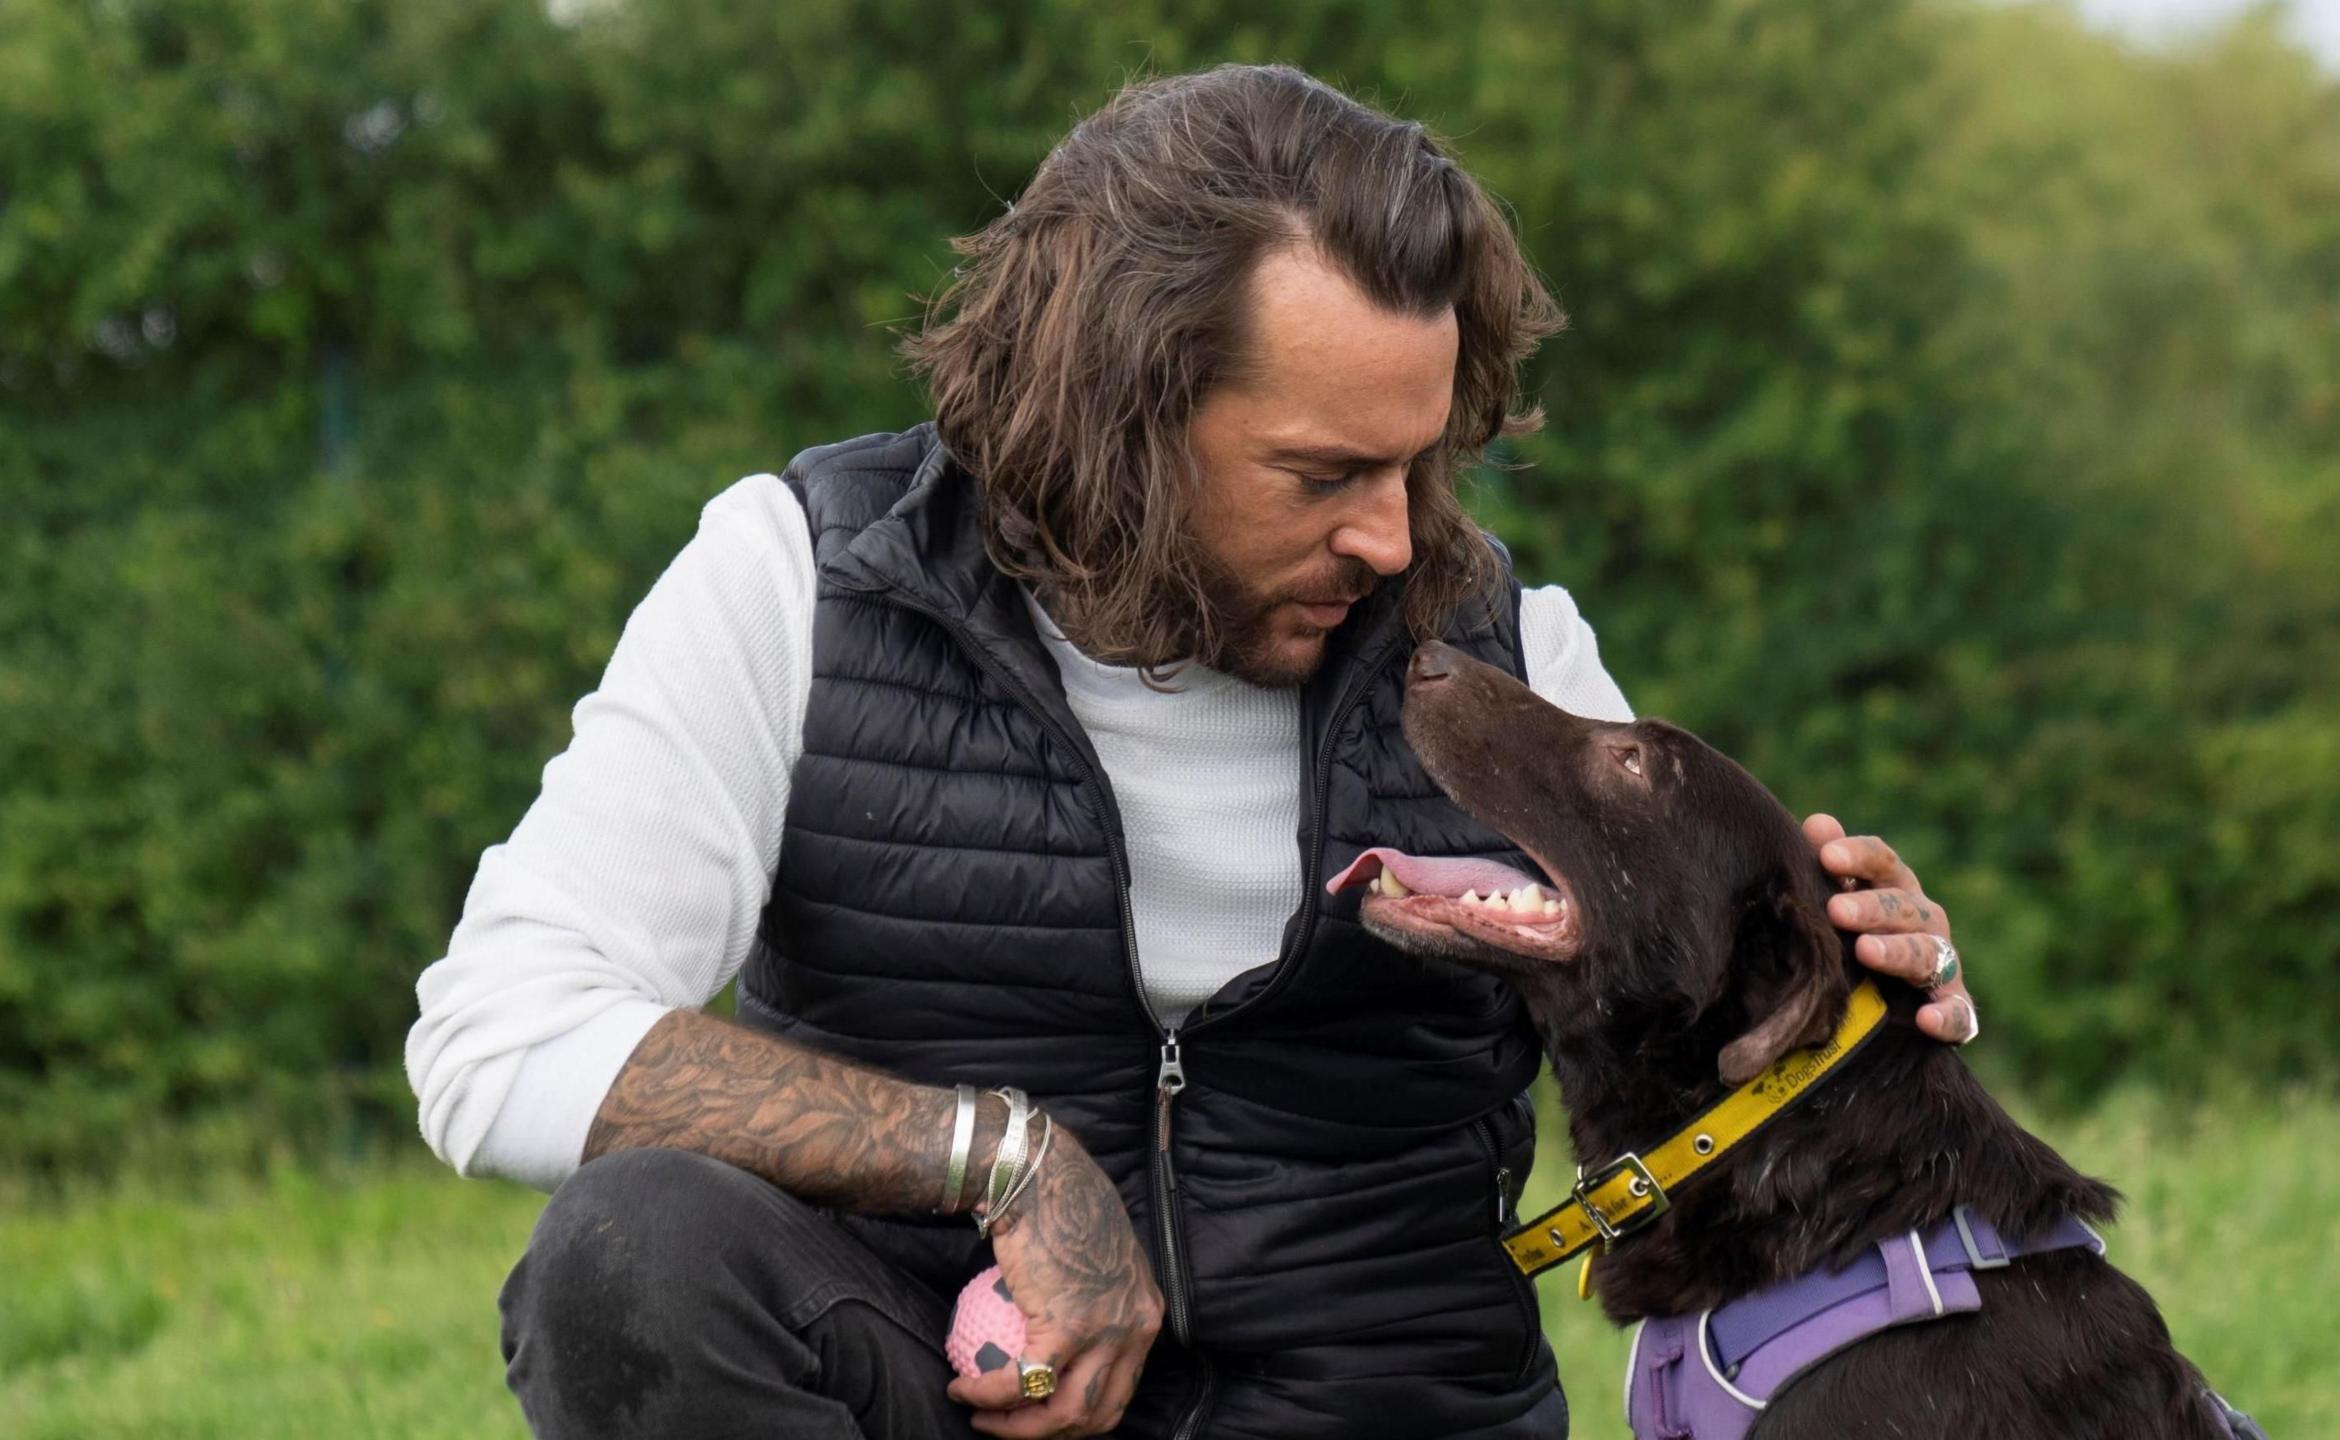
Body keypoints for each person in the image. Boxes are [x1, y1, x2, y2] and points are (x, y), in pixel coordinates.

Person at [406, 63, 1979, 1440]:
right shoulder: (799, 583)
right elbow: (496, 1036)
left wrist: (1858, 995)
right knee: (639, 1252)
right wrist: (995, 1155)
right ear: (1118, 414)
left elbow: (1716, 1040)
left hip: (1396, 1411)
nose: (1391, 533)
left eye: (1423, 461)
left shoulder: (1512, 657)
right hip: (942, 1397)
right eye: (1320, 472)